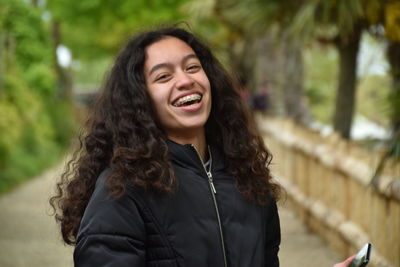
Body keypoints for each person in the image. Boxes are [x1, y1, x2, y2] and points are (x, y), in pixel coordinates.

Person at [50, 25, 354, 267]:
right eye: (163, 76)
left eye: (192, 67)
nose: (185, 81)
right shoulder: (121, 191)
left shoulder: (246, 179)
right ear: (140, 101)